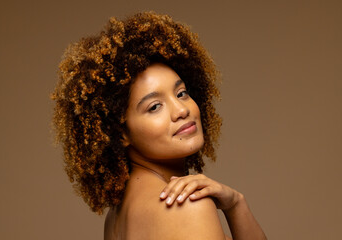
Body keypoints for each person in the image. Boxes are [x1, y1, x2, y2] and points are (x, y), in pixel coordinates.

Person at [51, 11, 267, 240]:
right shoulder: (186, 204)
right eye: (155, 106)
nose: (181, 110)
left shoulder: (117, 216)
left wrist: (235, 204)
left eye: (182, 93)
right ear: (120, 133)